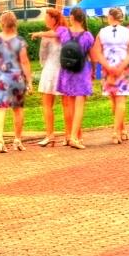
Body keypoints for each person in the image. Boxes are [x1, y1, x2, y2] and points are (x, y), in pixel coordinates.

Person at [0, 11, 29, 153]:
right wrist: (29, 81)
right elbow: (25, 62)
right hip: (16, 78)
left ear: (1, 23)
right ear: (15, 23)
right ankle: (17, 139)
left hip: (0, 78)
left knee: (0, 108)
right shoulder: (20, 41)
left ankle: (0, 139)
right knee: (18, 109)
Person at [53, 8, 96, 150]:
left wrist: (39, 33)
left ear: (71, 18)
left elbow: (51, 33)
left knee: (70, 105)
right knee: (79, 107)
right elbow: (93, 56)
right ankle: (74, 137)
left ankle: (73, 135)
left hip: (66, 72)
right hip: (81, 73)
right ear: (83, 19)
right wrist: (94, 70)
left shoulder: (64, 32)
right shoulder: (88, 36)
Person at [96, 6, 129, 144]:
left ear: (110, 17)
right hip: (124, 68)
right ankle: (118, 131)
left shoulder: (102, 32)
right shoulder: (128, 32)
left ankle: (119, 130)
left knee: (113, 100)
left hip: (107, 68)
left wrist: (107, 67)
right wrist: (122, 66)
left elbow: (97, 52)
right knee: (121, 100)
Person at [32, 6, 63, 148]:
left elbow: (42, 57)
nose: (45, 20)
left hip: (50, 70)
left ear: (52, 19)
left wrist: (39, 34)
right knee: (66, 104)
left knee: (47, 105)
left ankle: (50, 135)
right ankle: (69, 135)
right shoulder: (64, 33)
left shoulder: (47, 36)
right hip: (62, 71)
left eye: (46, 17)